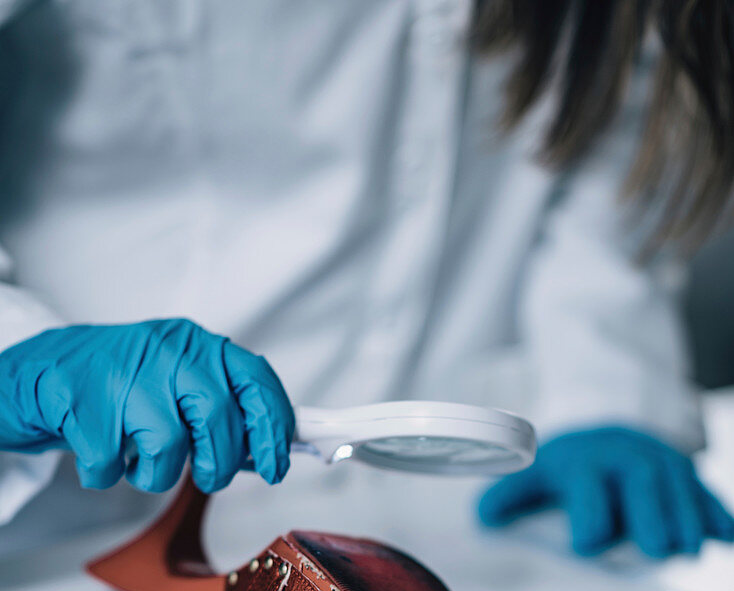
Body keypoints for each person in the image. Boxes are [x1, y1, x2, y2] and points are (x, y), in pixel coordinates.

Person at [0, 0, 731, 558]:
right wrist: (19, 357)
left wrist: (605, 378)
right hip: (74, 518)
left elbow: (628, 87)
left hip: (452, 510)